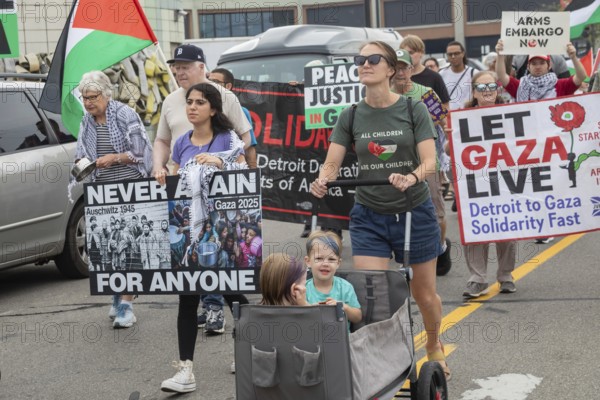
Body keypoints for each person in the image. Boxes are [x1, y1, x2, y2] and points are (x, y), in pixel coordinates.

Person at [310, 40, 450, 380]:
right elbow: (332, 162)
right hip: (369, 214)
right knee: (371, 294)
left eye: (373, 59)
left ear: (391, 68)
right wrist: (322, 179)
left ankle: (433, 345)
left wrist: (411, 176)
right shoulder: (351, 114)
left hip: (413, 210)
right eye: (360, 59)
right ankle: (379, 362)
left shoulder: (413, 109)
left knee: (424, 294)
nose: (364, 64)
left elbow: (430, 162)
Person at [153, 44, 253, 334]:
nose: (178, 71)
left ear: (201, 67)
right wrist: (160, 167)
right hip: (186, 199)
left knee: (225, 272)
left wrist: (226, 167)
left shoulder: (225, 98)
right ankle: (189, 356)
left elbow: (244, 142)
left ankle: (246, 333)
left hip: (221, 201)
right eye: (176, 66)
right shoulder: (171, 102)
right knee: (192, 270)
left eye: (185, 66)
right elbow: (164, 142)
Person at [159, 83, 248, 393]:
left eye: (199, 102)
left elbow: (244, 173)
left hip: (222, 229)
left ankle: (249, 350)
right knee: (188, 295)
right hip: (191, 232)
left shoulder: (227, 139)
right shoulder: (182, 142)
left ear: (213, 108)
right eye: (189, 102)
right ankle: (186, 370)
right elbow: (174, 177)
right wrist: (163, 174)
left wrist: (222, 163)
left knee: (232, 292)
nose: (192, 107)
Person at [73, 70, 153, 329]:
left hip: (130, 187)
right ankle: (118, 294)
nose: (88, 103)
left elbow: (141, 153)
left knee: (128, 244)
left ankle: (127, 305)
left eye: (93, 97)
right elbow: (81, 151)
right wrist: (81, 163)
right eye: (84, 98)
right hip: (102, 190)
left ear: (106, 94)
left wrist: (115, 158)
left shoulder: (124, 114)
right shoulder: (87, 121)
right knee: (109, 245)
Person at [495, 39, 587, 244]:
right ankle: (541, 223)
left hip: (554, 145)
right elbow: (501, 77)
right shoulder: (520, 87)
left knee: (552, 184)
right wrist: (500, 54)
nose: (538, 67)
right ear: (527, 67)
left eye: (541, 63)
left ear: (549, 65)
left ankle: (549, 224)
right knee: (534, 185)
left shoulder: (560, 85)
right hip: (527, 145)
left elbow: (580, 77)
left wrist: (573, 55)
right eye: (533, 63)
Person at [391, 49, 452, 273]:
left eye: (404, 67)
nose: (400, 72)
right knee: (398, 211)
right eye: (395, 68)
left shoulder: (425, 93)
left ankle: (441, 247)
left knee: (436, 211)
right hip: (396, 162)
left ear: (411, 69)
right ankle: (404, 258)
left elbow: (442, 121)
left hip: (426, 161)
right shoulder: (383, 94)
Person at [458, 71, 518, 297]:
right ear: (474, 92)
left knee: (507, 227)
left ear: (498, 88)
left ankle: (505, 276)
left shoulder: (510, 113)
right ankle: (477, 278)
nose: (487, 91)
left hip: (506, 179)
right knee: (476, 228)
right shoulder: (462, 115)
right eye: (481, 87)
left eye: (491, 85)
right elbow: (447, 150)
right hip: (475, 180)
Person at [304, 231, 361, 328]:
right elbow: (297, 319)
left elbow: (357, 317)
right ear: (308, 261)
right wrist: (311, 310)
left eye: (331, 259)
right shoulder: (303, 289)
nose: (325, 263)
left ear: (338, 263)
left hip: (340, 340)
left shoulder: (345, 287)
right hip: (311, 339)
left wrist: (344, 307)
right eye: (319, 258)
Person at [208, 67, 258, 168]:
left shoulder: (242, 111)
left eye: (216, 82)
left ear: (228, 86)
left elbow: (250, 147)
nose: (211, 86)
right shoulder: (201, 109)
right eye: (209, 82)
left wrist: (253, 173)